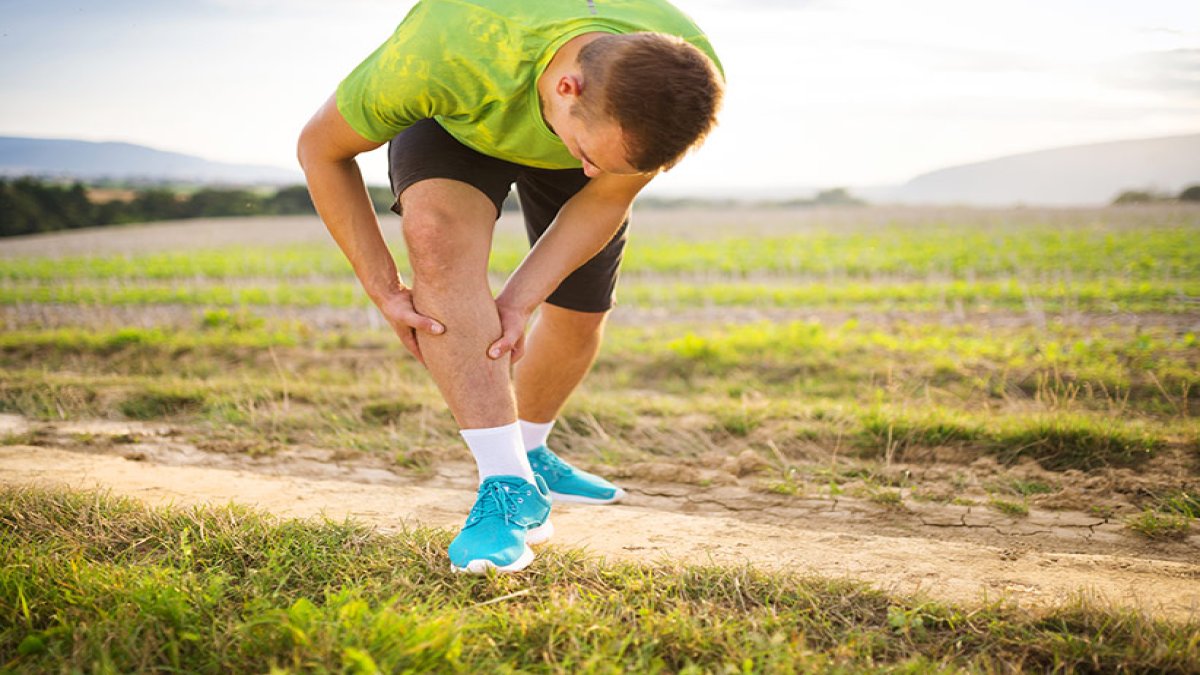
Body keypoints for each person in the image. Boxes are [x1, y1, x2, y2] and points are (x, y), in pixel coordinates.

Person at [297, 0, 723, 574]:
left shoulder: (677, 74)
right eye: (597, 157)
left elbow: (606, 192)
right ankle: (507, 485)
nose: (596, 170)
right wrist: (382, 285)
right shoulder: (445, 47)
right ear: (568, 87)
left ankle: (529, 448)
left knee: (577, 311)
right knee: (436, 237)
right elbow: (320, 150)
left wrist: (519, 300)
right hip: (461, 121)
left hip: (585, 129)